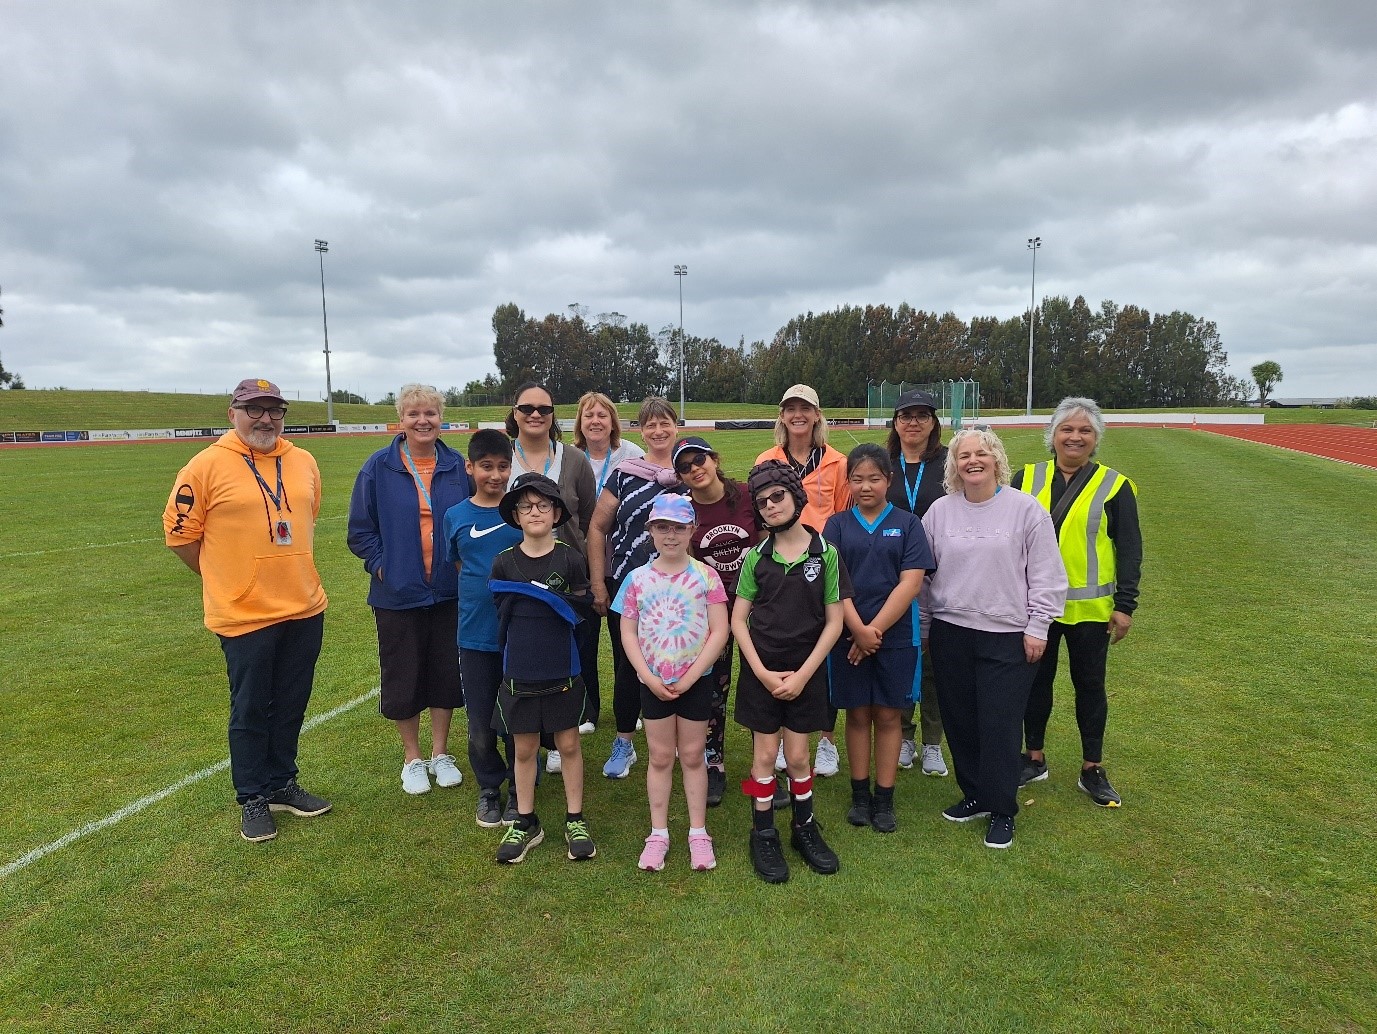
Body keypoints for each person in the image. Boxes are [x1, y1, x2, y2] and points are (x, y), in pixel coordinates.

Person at [163, 377, 331, 843]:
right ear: (232, 414)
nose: (265, 419)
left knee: (291, 703)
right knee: (251, 707)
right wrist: (226, 579)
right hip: (244, 615)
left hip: (303, 605)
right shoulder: (205, 466)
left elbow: (307, 516)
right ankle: (252, 796)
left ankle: (282, 783)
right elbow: (180, 536)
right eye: (254, 409)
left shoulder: (303, 461)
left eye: (274, 410)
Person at [921, 429, 1068, 850]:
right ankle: (975, 795)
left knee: (1000, 724)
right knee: (960, 720)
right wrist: (926, 628)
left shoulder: (1025, 510)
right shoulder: (940, 512)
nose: (973, 461)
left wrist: (1038, 626)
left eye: (981, 453)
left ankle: (1002, 808)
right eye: (964, 455)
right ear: (954, 465)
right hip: (951, 632)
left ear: (997, 460)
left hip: (1007, 635)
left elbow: (1047, 574)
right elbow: (925, 578)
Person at [1013, 396, 1142, 807]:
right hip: (1036, 608)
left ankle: (1092, 767)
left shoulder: (1115, 486)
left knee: (1089, 686)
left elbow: (1129, 549)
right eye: (1067, 429)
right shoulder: (1025, 478)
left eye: (1085, 430)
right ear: (1052, 434)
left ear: (1096, 438)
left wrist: (1125, 605)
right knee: (1035, 683)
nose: (1075, 437)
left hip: (1090, 610)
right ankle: (1034, 757)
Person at [347, 384, 470, 796]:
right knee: (403, 672)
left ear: (441, 418)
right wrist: (385, 568)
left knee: (444, 671)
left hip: (449, 590)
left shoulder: (457, 466)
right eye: (414, 413)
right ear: (400, 419)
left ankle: (440, 752)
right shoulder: (378, 467)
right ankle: (412, 758)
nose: (422, 421)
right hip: (397, 594)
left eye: (430, 413)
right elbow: (360, 530)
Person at [733, 460, 852, 883]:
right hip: (762, 673)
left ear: (796, 497)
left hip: (807, 672)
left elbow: (835, 622)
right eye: (761, 502)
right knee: (765, 756)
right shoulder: (756, 557)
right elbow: (738, 620)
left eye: (777, 496)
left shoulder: (826, 554)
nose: (770, 505)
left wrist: (803, 675)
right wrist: (762, 672)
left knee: (799, 757)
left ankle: (804, 827)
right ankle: (763, 832)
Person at [613, 494, 730, 872]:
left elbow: (720, 630)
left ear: (692, 529)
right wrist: (647, 677)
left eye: (678, 528)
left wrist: (693, 675)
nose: (670, 535)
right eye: (662, 527)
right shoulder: (637, 579)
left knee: (694, 755)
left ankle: (699, 832)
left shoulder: (706, 576)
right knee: (661, 756)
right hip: (653, 683)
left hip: (696, 682)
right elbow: (627, 632)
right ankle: (658, 833)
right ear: (650, 531)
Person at [488, 473, 597, 864]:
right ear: (516, 515)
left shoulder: (570, 558)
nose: (535, 512)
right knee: (524, 749)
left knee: (568, 745)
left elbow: (580, 609)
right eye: (526, 506)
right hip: (519, 671)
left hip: (562, 668)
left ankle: (575, 819)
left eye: (543, 505)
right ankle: (526, 820)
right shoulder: (503, 562)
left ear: (556, 513)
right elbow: (502, 615)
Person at [824, 444, 933, 833]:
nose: (866, 486)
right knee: (857, 713)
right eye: (857, 479)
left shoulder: (908, 524)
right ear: (848, 482)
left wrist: (874, 632)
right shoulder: (836, 525)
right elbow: (833, 582)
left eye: (874, 478)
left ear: (888, 480)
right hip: (847, 634)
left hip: (896, 636)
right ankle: (860, 795)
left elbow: (911, 583)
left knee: (888, 714)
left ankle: (884, 799)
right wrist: (857, 629)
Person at [587, 397, 687, 780]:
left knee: (679, 662)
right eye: (650, 425)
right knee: (629, 666)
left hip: (679, 591)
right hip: (628, 586)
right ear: (640, 431)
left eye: (665, 423)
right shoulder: (624, 474)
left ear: (675, 426)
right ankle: (624, 742)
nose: (658, 431)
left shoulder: (689, 471)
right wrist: (599, 581)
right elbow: (597, 527)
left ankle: (678, 739)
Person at [755, 383, 850, 777]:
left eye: (804, 408)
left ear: (816, 414)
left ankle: (826, 739)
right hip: (780, 564)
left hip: (820, 564)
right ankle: (781, 738)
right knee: (783, 647)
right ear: (782, 415)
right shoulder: (767, 459)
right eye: (790, 408)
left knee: (824, 652)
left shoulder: (838, 462)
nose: (797, 415)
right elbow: (761, 514)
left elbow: (841, 516)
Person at [505, 382, 597, 769]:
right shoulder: (501, 457)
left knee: (569, 657)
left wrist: (591, 576)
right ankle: (526, 739)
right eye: (527, 408)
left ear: (553, 415)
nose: (535, 415)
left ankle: (561, 739)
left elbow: (589, 520)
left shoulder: (574, 459)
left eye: (544, 409)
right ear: (514, 413)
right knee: (525, 658)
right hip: (516, 575)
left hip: (567, 577)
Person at [675, 435, 761, 807]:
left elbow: (769, 542)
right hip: (712, 611)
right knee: (714, 688)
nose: (695, 469)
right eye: (685, 467)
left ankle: (764, 765)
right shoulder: (685, 510)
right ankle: (713, 763)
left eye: (700, 460)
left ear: (714, 459)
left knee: (761, 684)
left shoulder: (746, 495)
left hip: (757, 605)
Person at [442, 430, 522, 828]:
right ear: (470, 468)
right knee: (480, 722)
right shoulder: (455, 516)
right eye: (486, 466)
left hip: (520, 635)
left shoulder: (521, 513)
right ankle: (489, 787)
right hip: (475, 636)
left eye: (503, 466)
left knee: (519, 719)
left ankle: (521, 788)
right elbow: (460, 565)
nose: (495, 475)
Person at [886, 388, 951, 778]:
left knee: (934, 662)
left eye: (922, 415)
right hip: (894, 578)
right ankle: (904, 736)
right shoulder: (885, 464)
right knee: (901, 657)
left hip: (941, 575)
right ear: (895, 423)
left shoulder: (948, 463)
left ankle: (932, 743)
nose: (913, 422)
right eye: (906, 416)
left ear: (933, 423)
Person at [571, 391, 645, 734]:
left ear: (613, 421)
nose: (595, 421)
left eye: (602, 415)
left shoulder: (632, 454)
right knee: (584, 640)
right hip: (578, 561)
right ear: (580, 423)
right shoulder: (571, 457)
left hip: (621, 562)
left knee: (624, 639)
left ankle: (632, 707)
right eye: (589, 415)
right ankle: (588, 711)